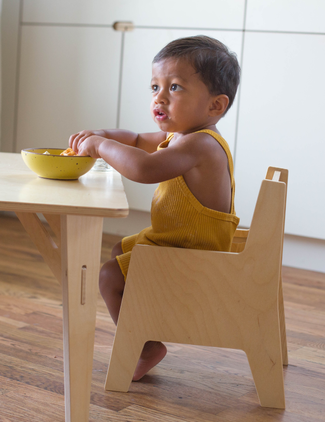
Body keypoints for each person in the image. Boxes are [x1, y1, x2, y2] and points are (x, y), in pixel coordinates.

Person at [69, 35, 241, 381]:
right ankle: (145, 321)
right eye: (154, 87)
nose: (159, 97)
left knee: (108, 275)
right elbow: (134, 140)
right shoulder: (181, 137)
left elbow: (144, 169)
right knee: (120, 250)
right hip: (176, 242)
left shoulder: (200, 145)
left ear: (215, 106)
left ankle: (146, 345)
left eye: (175, 87)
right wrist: (104, 132)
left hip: (194, 256)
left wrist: (101, 146)